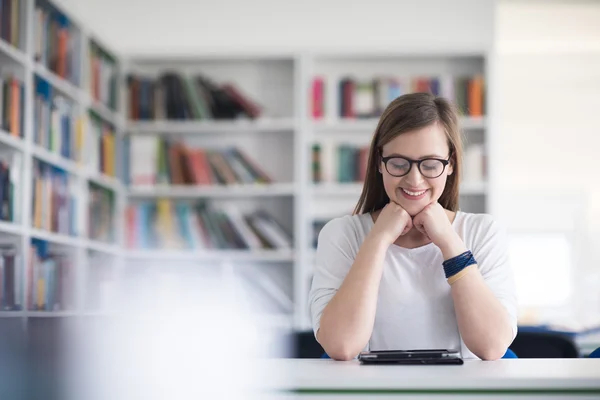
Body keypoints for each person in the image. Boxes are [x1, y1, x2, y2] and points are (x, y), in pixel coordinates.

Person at [308, 92, 517, 361]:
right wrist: (379, 239)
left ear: (450, 164)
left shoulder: (483, 232)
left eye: (430, 164)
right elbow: (342, 346)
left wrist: (449, 242)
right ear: (379, 164)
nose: (414, 179)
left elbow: (491, 347)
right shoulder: (341, 234)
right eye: (398, 163)